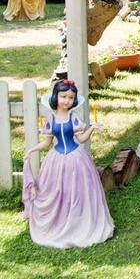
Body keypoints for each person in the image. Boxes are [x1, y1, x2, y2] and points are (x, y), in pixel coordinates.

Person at [22, 80, 114, 248]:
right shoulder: (50, 119)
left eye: (71, 98)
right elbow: (47, 143)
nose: (67, 101)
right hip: (56, 159)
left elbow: (81, 139)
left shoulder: (73, 118)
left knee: (79, 191)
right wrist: (32, 150)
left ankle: (79, 220)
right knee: (57, 190)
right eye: (63, 96)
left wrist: (92, 128)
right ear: (56, 97)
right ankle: (60, 219)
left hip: (76, 158)